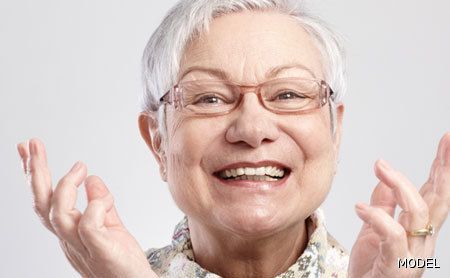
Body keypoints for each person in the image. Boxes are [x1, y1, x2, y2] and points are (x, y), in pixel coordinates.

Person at [17, 0, 449, 277]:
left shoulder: (402, 268)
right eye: (208, 98)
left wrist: (420, 260)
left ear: (335, 134)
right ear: (158, 143)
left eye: (288, 94)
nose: (252, 129)